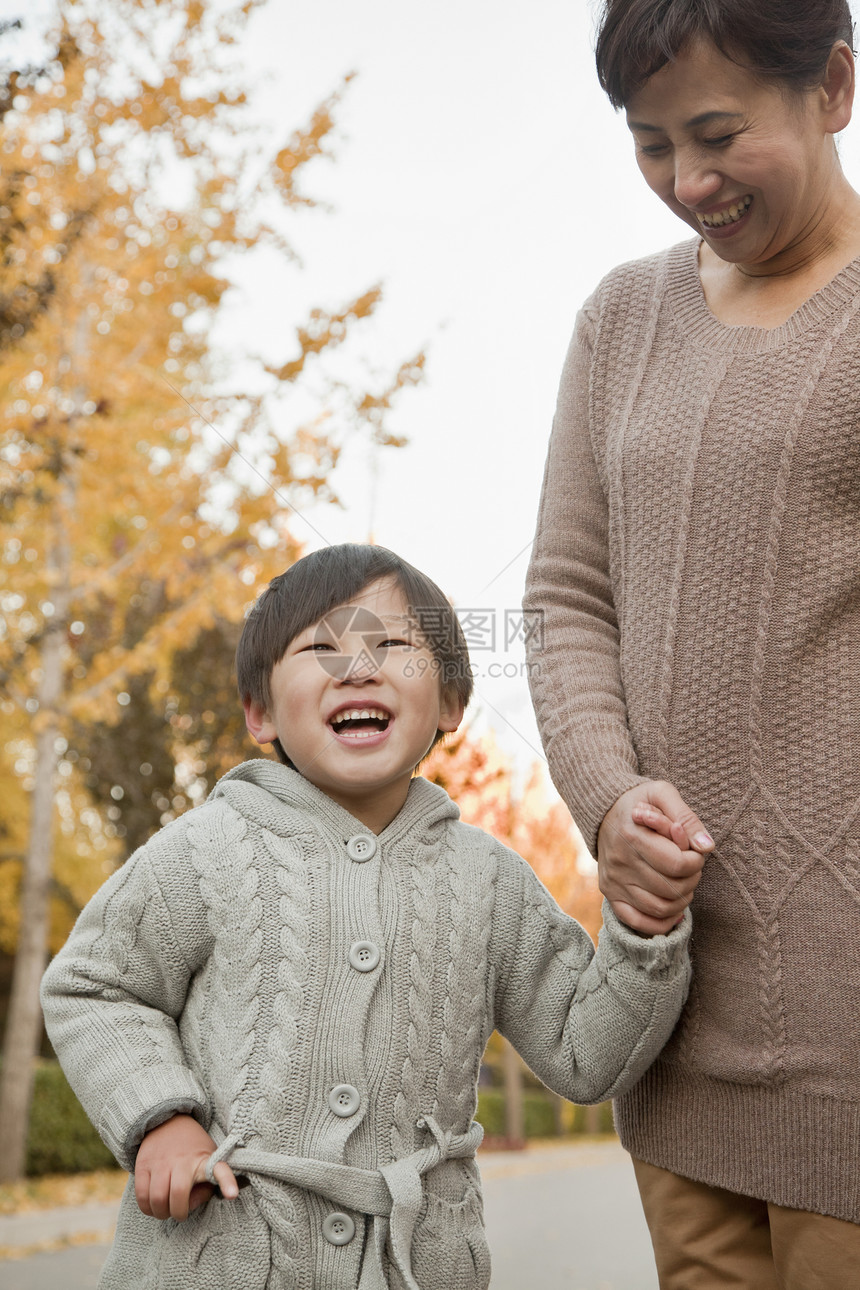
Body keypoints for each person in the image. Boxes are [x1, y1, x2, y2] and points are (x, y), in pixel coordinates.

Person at [41, 543, 691, 1290]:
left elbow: (585, 1053)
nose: (358, 668)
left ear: (449, 701)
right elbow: (95, 985)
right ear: (259, 713)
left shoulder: (490, 880)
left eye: (393, 647)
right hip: (216, 1260)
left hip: (416, 1266)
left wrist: (644, 929)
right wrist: (160, 1117)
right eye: (321, 647)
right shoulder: (208, 848)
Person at [523, 0, 860, 1285]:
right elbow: (561, 594)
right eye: (651, 145)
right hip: (669, 1001)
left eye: (716, 135)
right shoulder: (620, 322)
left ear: (830, 87)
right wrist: (605, 803)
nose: (687, 182)